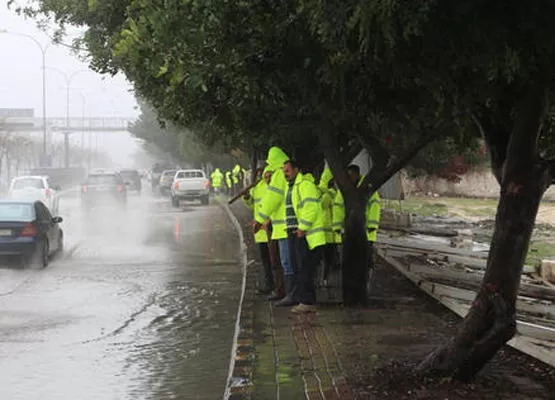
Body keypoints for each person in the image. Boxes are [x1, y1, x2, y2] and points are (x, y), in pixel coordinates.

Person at [281, 159, 325, 313]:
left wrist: (303, 227)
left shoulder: (305, 186)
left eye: (287, 171)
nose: (285, 174)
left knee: (305, 267)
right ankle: (303, 299)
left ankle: (307, 302)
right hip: (295, 232)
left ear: (296, 170)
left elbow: (310, 208)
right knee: (299, 267)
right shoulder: (291, 187)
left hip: (306, 235)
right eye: (283, 171)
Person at [333, 164, 381, 295]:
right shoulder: (344, 190)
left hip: (366, 233)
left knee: (364, 262)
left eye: (352, 175)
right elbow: (338, 208)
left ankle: (363, 289)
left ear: (358, 174)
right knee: (349, 264)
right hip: (348, 233)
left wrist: (372, 225)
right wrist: (337, 227)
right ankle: (351, 292)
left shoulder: (368, 189)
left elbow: (375, 207)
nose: (350, 178)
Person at [252, 146, 292, 303]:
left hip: (282, 227)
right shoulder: (285, 174)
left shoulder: (279, 176)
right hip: (282, 227)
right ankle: (285, 292)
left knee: (286, 263)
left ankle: (288, 294)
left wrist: (260, 219)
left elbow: (272, 200)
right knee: (284, 262)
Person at [243, 168, 275, 294]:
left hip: (272, 229)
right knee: (265, 260)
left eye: (269, 176)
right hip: (260, 231)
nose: (267, 178)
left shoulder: (275, 188)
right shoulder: (257, 188)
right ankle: (269, 284)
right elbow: (253, 205)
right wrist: (247, 197)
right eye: (265, 176)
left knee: (275, 261)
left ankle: (277, 285)